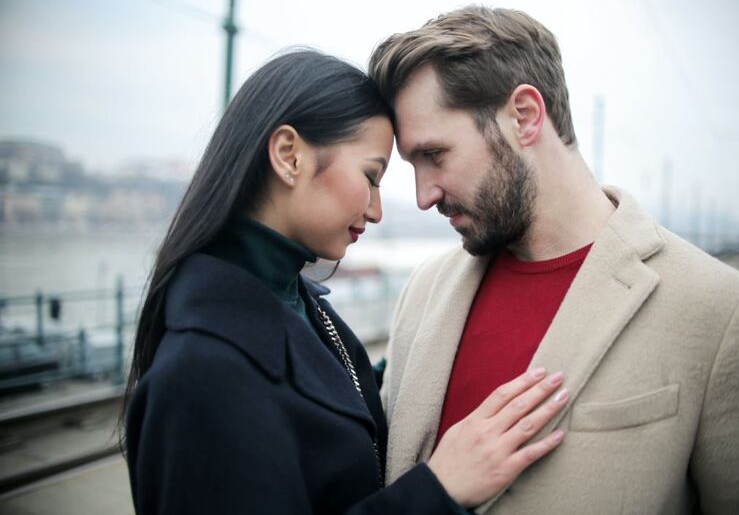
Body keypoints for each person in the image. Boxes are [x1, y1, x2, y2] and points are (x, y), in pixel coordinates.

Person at [368, 6, 739, 514]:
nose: (423, 195)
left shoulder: (723, 314)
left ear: (525, 116)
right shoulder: (424, 291)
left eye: (434, 155)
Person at [121, 49, 570, 515]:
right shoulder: (201, 372)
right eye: (371, 176)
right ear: (288, 156)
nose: (377, 209)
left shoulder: (295, 302)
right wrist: (438, 488)